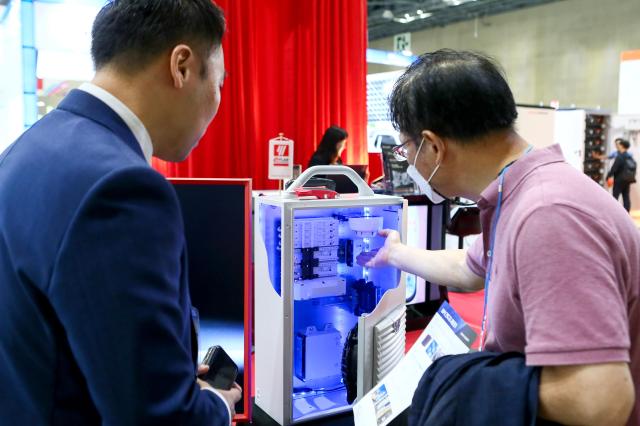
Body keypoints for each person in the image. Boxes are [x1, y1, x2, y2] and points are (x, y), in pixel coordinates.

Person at [358, 49, 639, 426]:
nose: (407, 162)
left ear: (434, 146)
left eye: (406, 149)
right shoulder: (518, 192)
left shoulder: (547, 215)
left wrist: (468, 381)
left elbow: (599, 399)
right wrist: (395, 253)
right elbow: (471, 267)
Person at [0, 1, 241, 425]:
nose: (218, 101)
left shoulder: (24, 150)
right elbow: (157, 418)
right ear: (181, 66)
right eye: (219, 81)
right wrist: (217, 405)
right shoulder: (123, 189)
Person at [605, 138, 635, 212]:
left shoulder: (620, 156)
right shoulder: (629, 156)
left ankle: (613, 213)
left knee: (615, 197)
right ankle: (626, 214)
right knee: (626, 197)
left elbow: (614, 168)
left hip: (619, 179)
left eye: (619, 144)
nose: (617, 146)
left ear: (622, 146)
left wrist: (608, 176)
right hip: (627, 179)